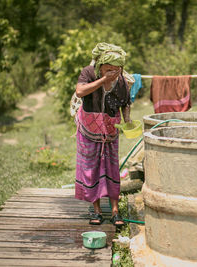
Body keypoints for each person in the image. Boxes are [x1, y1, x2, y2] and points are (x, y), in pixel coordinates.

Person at [74, 42, 132, 226]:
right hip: (89, 130)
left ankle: (115, 211)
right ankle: (97, 210)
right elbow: (80, 91)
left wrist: (128, 120)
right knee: (91, 169)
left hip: (110, 131)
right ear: (100, 67)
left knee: (112, 168)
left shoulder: (122, 80)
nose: (113, 73)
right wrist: (102, 81)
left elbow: (125, 102)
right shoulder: (89, 73)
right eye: (108, 69)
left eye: (116, 70)